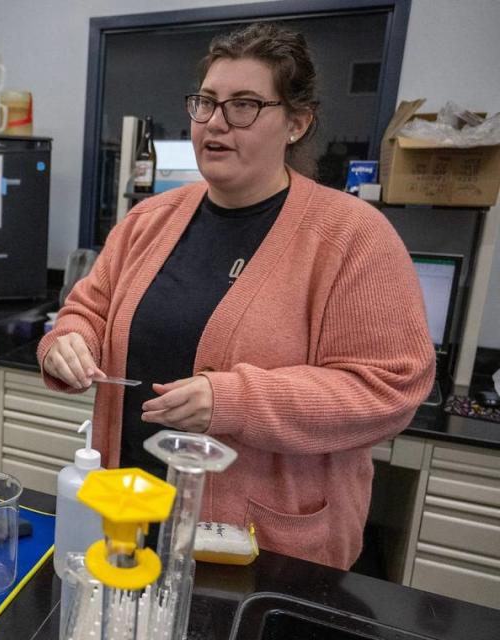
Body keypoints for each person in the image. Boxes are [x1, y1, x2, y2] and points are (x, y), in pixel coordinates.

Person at [38, 22, 434, 570]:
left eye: (244, 105)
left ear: (296, 123)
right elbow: (88, 309)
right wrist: (68, 339)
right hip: (127, 517)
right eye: (206, 103)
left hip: (260, 546)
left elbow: (390, 388)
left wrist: (234, 401)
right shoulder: (149, 221)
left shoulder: (351, 237)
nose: (216, 123)